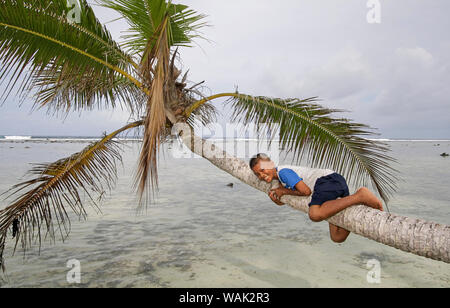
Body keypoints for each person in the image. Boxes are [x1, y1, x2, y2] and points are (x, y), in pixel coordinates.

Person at [249, 153, 383, 243]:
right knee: (337, 237)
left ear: (271, 164)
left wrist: (283, 191)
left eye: (263, 170)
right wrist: (276, 198)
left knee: (315, 214)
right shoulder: (277, 179)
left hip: (327, 181)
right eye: (257, 174)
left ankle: (360, 196)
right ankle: (355, 202)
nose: (261, 175)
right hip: (331, 187)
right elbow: (283, 201)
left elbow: (306, 191)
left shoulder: (284, 172)